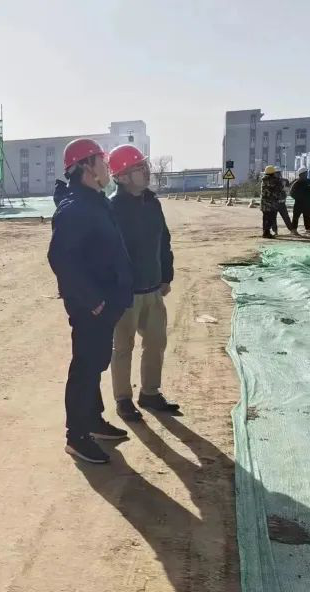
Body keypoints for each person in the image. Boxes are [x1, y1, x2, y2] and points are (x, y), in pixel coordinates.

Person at [47, 138, 135, 465]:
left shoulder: (95, 201)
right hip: (91, 308)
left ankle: (93, 420)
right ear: (86, 166)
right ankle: (77, 436)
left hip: (105, 303)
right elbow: (60, 259)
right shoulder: (75, 208)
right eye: (102, 161)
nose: (107, 167)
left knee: (96, 363)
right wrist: (94, 300)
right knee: (84, 368)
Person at [106, 145, 181, 422]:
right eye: (139, 168)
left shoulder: (152, 203)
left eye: (145, 166)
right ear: (122, 176)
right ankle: (123, 399)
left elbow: (164, 241)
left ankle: (150, 392)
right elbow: (105, 253)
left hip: (152, 289)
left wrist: (166, 276)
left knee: (156, 343)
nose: (147, 172)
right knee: (123, 347)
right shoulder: (112, 208)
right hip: (126, 294)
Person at [260, 166, 298, 239]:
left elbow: (286, 190)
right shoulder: (276, 181)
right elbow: (280, 190)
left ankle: (267, 232)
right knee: (272, 218)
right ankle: (272, 232)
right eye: (276, 173)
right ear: (273, 173)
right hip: (273, 203)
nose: (277, 174)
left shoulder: (264, 180)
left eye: (278, 173)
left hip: (269, 203)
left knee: (270, 218)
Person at [289, 168, 310, 233]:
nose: (306, 174)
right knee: (296, 217)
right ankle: (294, 229)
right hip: (298, 203)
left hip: (308, 203)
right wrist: (298, 198)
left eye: (306, 173)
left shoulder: (309, 182)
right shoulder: (296, 183)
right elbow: (291, 193)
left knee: (307, 216)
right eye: (304, 173)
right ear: (300, 174)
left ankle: (308, 228)